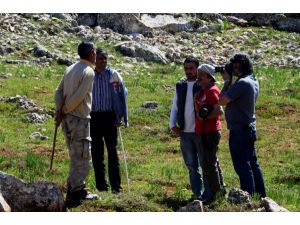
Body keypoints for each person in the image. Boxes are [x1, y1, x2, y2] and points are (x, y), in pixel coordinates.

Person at [54, 41, 99, 208]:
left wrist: (59, 111)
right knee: (82, 156)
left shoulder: (70, 68)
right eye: (94, 52)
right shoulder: (89, 71)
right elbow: (80, 96)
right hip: (79, 118)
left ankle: (74, 187)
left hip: (67, 119)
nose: (96, 55)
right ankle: (77, 192)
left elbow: (58, 92)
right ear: (91, 53)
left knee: (75, 154)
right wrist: (65, 109)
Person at [218, 53, 266, 198]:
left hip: (239, 130)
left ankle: (248, 197)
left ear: (237, 66)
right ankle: (260, 196)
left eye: (233, 65)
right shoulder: (252, 80)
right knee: (252, 164)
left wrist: (227, 81)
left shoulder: (242, 83)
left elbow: (222, 100)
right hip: (248, 128)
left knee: (242, 166)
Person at [90, 48, 128, 193]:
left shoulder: (113, 75)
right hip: (94, 117)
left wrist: (120, 116)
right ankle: (101, 186)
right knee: (97, 152)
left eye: (105, 58)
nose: (103, 61)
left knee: (112, 151)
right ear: (95, 60)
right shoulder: (90, 75)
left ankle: (116, 186)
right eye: (100, 58)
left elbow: (122, 94)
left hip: (109, 116)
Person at [169, 56, 205, 199]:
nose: (188, 71)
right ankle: (197, 193)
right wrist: (172, 125)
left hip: (201, 132)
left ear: (197, 68)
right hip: (185, 132)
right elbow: (175, 106)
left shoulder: (202, 84)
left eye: (191, 68)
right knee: (191, 166)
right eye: (186, 68)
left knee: (207, 164)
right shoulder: (181, 85)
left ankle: (212, 191)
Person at [193, 64, 225, 204]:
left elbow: (219, 110)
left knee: (209, 164)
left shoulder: (212, 91)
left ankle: (215, 193)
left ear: (207, 76)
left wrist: (204, 117)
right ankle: (219, 190)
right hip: (202, 131)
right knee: (210, 163)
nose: (198, 76)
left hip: (210, 131)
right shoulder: (202, 91)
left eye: (200, 74)